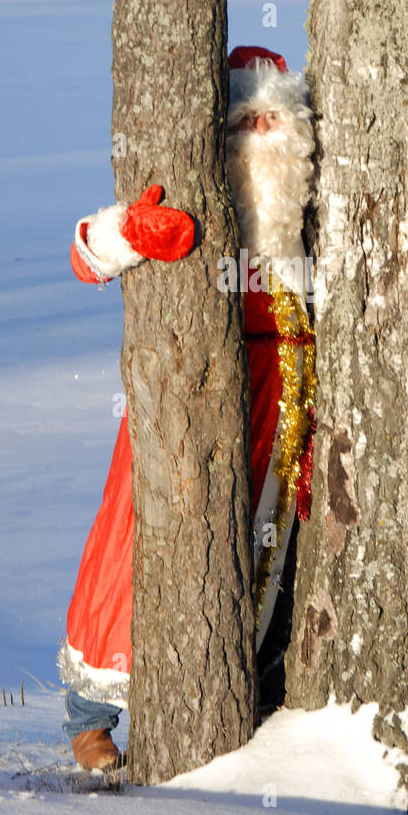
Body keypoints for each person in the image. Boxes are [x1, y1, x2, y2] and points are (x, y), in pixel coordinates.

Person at [57, 46, 316, 770]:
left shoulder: (306, 217)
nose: (260, 131)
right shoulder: (198, 200)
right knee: (140, 535)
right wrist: (124, 234)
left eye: (274, 119)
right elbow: (87, 254)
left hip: (290, 411)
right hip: (191, 398)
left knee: (267, 557)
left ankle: (256, 706)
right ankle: (92, 715)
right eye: (245, 120)